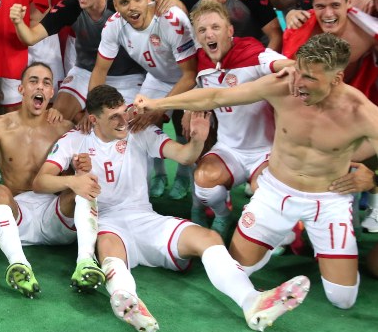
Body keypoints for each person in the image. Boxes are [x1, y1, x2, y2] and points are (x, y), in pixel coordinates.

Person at [34, 85, 310, 332]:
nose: (123, 120)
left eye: (124, 112)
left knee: (208, 238)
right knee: (107, 249)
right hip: (107, 222)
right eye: (114, 117)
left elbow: (185, 156)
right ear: (94, 120)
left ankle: (252, 301)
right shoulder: (75, 139)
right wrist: (72, 182)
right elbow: (40, 181)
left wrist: (198, 140)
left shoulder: (138, 131)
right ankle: (128, 300)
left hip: (145, 217)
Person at [135, 32, 377, 311]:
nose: (298, 82)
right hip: (275, 192)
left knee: (342, 299)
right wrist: (158, 104)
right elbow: (216, 95)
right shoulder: (283, 86)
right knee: (235, 270)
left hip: (329, 200)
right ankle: (272, 242)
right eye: (298, 70)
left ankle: (298, 241)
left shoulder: (362, 113)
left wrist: (373, 179)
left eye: (310, 77)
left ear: (337, 78)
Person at [0, 63, 75, 297]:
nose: (39, 86)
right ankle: (19, 264)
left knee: (81, 188)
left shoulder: (64, 127)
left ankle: (87, 260)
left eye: (46, 82)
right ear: (21, 89)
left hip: (55, 214)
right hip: (16, 215)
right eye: (33, 81)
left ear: (51, 92)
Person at [185, 0, 293, 233]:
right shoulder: (202, 61)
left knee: (266, 194)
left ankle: (280, 232)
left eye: (215, 27)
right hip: (229, 149)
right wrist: (188, 111)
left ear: (230, 30)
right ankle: (223, 216)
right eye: (202, 30)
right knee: (203, 181)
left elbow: (281, 63)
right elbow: (198, 92)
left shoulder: (254, 53)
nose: (209, 34)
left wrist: (296, 67)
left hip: (265, 151)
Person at [89, 0, 198, 199]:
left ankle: (184, 176)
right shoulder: (114, 25)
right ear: (116, 6)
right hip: (158, 78)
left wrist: (160, 108)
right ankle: (159, 175)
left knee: (185, 128)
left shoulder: (171, 20)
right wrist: (91, 110)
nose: (132, 7)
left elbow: (190, 74)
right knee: (141, 124)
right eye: (124, 2)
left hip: (190, 78)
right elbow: (100, 70)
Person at [10, 0, 144, 122]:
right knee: (55, 120)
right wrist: (18, 22)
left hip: (128, 76)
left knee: (128, 126)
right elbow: (31, 38)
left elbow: (152, 7)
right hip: (85, 72)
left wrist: (169, 2)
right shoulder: (71, 7)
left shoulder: (121, 6)